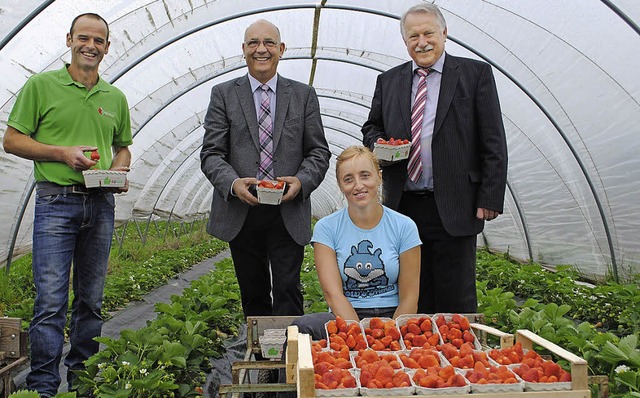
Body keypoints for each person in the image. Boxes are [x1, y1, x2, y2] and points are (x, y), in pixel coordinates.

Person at [2, 13, 132, 396]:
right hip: (56, 201)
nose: (90, 46)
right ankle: (43, 385)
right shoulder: (41, 86)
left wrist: (119, 169)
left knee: (91, 299)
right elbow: (12, 140)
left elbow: (123, 145)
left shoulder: (114, 97)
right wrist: (62, 153)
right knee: (51, 300)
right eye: (83, 38)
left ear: (107, 47)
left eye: (98, 40)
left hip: (101, 202)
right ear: (69, 40)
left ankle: (83, 379)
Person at [362, 3, 508, 314]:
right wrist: (380, 143)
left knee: (456, 297)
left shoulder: (474, 74)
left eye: (428, 32)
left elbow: (493, 139)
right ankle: (420, 358)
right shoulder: (389, 81)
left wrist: (490, 195)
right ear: (405, 42)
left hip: (456, 202)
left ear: (444, 33)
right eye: (413, 35)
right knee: (413, 293)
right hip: (405, 204)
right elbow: (372, 126)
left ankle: (459, 358)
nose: (422, 41)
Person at [200, 19, 330, 320]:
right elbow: (212, 153)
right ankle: (263, 362)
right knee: (253, 292)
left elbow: (318, 151)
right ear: (244, 50)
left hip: (287, 208)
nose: (262, 49)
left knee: (288, 289)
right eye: (254, 43)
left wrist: (300, 181)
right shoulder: (223, 94)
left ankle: (289, 361)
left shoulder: (303, 95)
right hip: (242, 210)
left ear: (281, 49)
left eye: (269, 43)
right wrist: (233, 183)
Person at [288, 145, 421, 341]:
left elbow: (409, 297)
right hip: (344, 316)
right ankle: (290, 373)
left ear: (379, 177)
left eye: (365, 175)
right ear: (340, 186)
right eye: (348, 179)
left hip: (393, 317)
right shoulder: (327, 228)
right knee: (300, 328)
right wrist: (360, 338)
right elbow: (332, 294)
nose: (358, 185)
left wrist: (392, 337)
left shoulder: (404, 226)